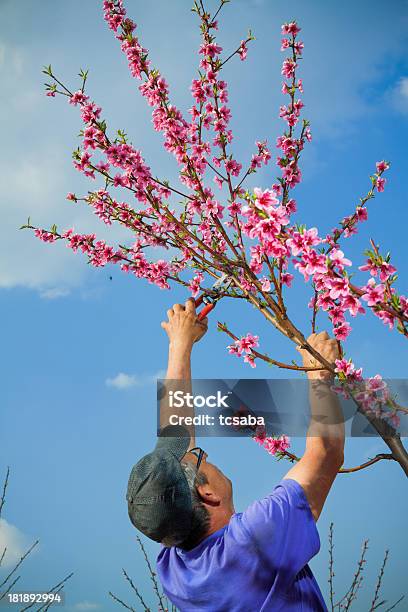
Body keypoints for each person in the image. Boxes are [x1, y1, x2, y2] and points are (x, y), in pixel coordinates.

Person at [126, 299, 344, 611]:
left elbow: (176, 434)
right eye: (198, 456)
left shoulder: (175, 570)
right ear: (208, 493)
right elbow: (326, 452)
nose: (200, 451)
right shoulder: (256, 540)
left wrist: (180, 344)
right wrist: (320, 375)